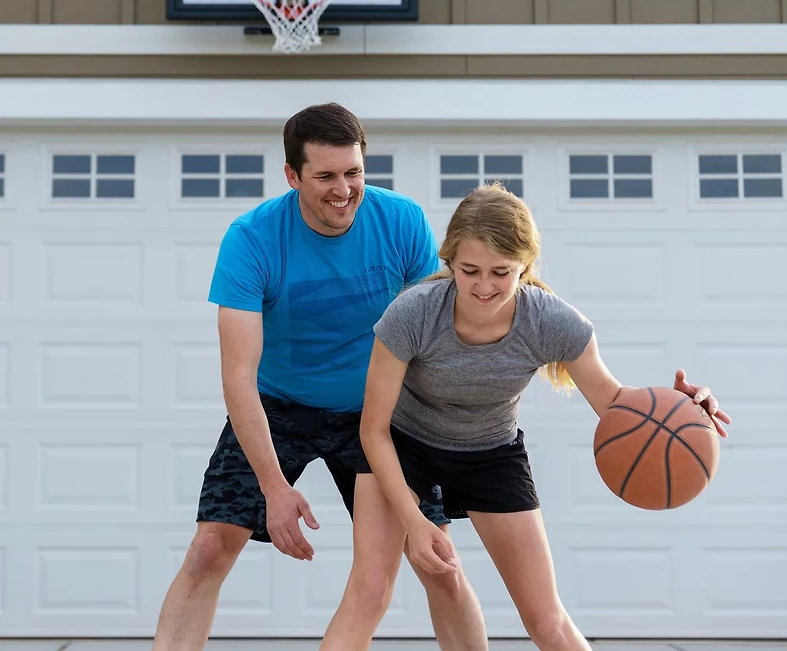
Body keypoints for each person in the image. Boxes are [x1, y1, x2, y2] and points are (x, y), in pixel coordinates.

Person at [323, 183, 731, 651]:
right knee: (370, 593)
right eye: (469, 270)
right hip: (403, 445)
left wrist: (676, 408)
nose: (483, 286)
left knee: (546, 619)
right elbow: (372, 430)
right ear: (449, 261)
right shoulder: (412, 313)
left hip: (491, 454)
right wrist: (414, 520)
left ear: (525, 266)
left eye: (501, 272)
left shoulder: (553, 322)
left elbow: (614, 402)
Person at [152, 103, 488, 651]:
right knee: (211, 548)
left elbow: (444, 330)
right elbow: (239, 376)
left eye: (353, 172)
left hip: (378, 410)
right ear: (292, 176)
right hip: (280, 405)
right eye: (326, 176)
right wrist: (273, 487)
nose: (343, 189)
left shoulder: (400, 221)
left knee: (438, 562)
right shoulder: (254, 239)